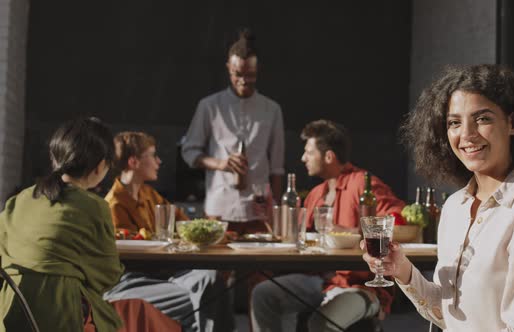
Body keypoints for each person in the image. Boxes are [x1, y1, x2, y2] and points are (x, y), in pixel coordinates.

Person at [363, 64, 514, 331]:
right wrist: (402, 270)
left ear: (512, 123)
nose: (467, 135)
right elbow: (449, 314)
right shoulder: (454, 207)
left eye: (482, 119)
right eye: (454, 123)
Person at [251, 120, 406, 332]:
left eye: (308, 152)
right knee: (262, 294)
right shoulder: (316, 194)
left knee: (320, 323)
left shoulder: (363, 183)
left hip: (358, 284)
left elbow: (398, 218)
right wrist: (268, 216)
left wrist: (358, 233)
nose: (303, 158)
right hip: (319, 280)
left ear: (329, 156)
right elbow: (296, 239)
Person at [0, 117, 124, 331]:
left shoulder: (18, 200)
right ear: (101, 166)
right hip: (59, 315)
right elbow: (108, 275)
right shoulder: (93, 206)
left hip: (9, 312)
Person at [102, 131, 233, 332]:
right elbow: (127, 252)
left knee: (211, 278)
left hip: (168, 269)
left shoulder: (149, 194)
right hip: (139, 277)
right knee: (208, 297)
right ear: (134, 162)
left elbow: (185, 226)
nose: (159, 161)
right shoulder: (114, 204)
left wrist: (210, 232)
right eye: (153, 155)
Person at [181, 28, 285, 234]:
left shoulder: (271, 109)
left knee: (260, 266)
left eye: (250, 75)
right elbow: (189, 151)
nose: (244, 81)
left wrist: (277, 211)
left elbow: (277, 167)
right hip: (219, 208)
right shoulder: (209, 106)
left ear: (258, 70)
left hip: (259, 211)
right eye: (238, 74)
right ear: (228, 67)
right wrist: (221, 163)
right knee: (220, 266)